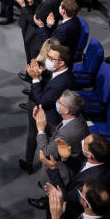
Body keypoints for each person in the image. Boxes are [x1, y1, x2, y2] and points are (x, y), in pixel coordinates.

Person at [21, 39, 76, 174]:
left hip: (51, 118)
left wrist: (35, 79)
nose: (47, 60)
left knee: (45, 144)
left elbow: (42, 101)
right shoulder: (59, 73)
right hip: (49, 109)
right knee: (35, 134)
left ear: (61, 62)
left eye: (51, 58)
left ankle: (49, 172)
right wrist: (39, 76)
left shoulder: (61, 81)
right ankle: (30, 162)